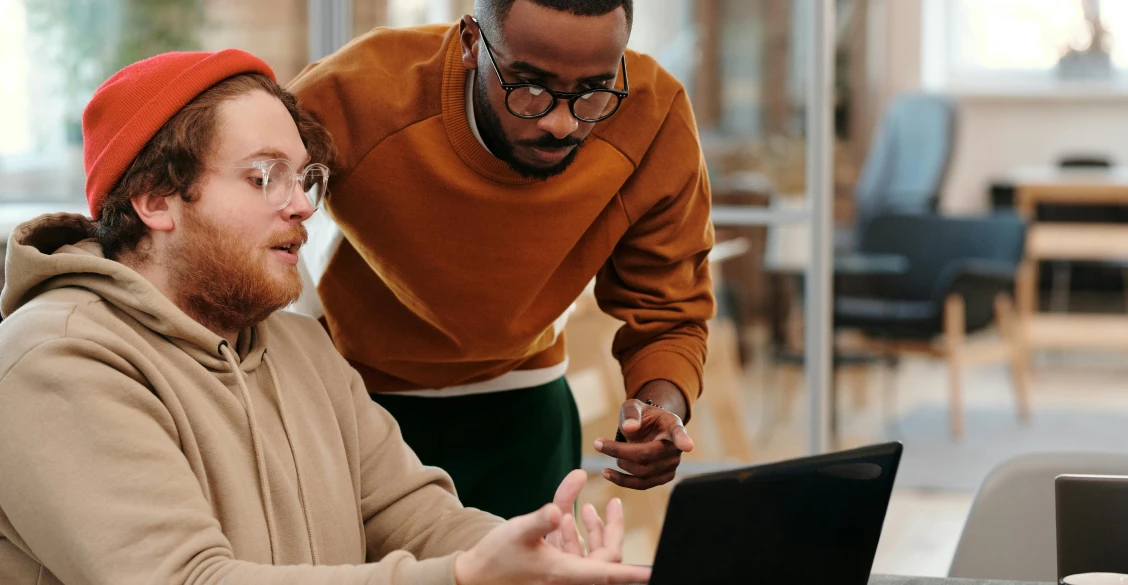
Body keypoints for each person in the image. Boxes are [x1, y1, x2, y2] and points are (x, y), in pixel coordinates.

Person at [0, 49, 649, 585]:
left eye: (303, 177)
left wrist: (529, 557)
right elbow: (187, 580)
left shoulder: (297, 343)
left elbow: (409, 509)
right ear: (155, 201)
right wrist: (460, 575)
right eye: (263, 177)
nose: (302, 206)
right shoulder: (55, 361)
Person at [289, 0, 715, 518]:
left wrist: (658, 409)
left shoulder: (654, 115)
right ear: (471, 42)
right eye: (529, 85)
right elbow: (238, 219)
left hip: (524, 405)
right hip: (353, 401)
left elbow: (671, 311)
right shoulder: (353, 95)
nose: (562, 123)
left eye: (593, 90)